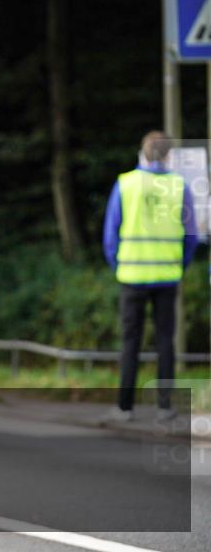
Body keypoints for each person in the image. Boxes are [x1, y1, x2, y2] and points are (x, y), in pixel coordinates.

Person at [101, 131, 197, 424]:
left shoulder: (126, 184)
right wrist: (180, 265)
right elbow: (191, 235)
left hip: (131, 276)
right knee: (165, 341)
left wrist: (118, 264)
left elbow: (110, 235)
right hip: (167, 277)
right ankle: (164, 407)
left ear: (142, 153)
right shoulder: (179, 186)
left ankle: (124, 407)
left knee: (130, 342)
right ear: (169, 156)